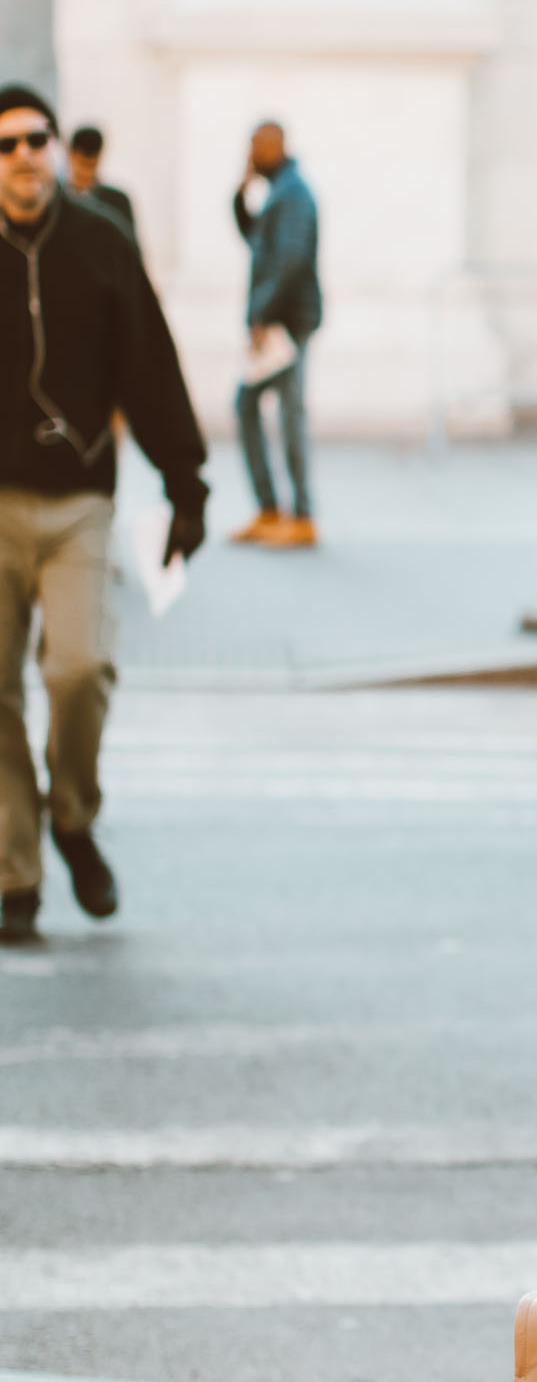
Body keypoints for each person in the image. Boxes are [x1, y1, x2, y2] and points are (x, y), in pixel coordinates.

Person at [0, 83, 207, 943]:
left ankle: (74, 817)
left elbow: (150, 365)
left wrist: (185, 482)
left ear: (55, 149)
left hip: (80, 501)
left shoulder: (100, 243)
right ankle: (17, 874)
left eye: (36, 140)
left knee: (77, 671)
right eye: (7, 143)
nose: (24, 156)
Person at [230, 120, 321, 549]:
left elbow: (289, 260)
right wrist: (239, 195)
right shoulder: (280, 193)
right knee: (254, 407)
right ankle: (270, 509)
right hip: (279, 322)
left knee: (287, 416)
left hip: (287, 325)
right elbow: (256, 240)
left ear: (274, 146)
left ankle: (301, 515)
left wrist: (262, 316)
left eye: (254, 146)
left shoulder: (294, 194)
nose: (249, 153)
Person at [65, 126, 139, 249]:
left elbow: (132, 251)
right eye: (82, 164)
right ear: (70, 155)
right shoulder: (56, 201)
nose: (86, 172)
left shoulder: (118, 201)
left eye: (92, 165)